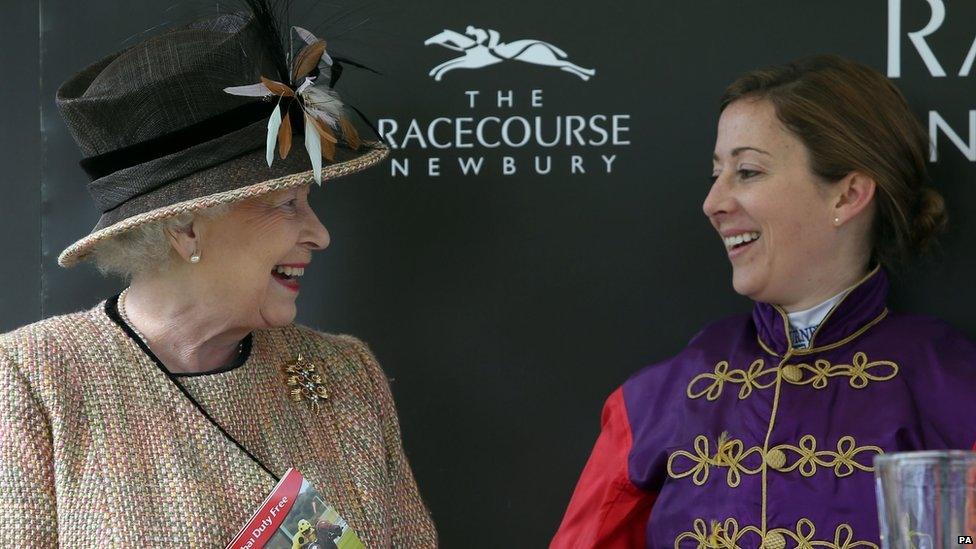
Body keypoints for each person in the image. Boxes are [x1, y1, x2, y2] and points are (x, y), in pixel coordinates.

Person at [0, 6, 436, 547]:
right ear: (185, 228)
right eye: (287, 203)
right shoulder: (32, 383)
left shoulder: (348, 376)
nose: (319, 234)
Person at [551, 54, 975, 548]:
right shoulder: (654, 402)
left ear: (847, 195)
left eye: (747, 171)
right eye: (716, 173)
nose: (713, 203)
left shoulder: (954, 390)